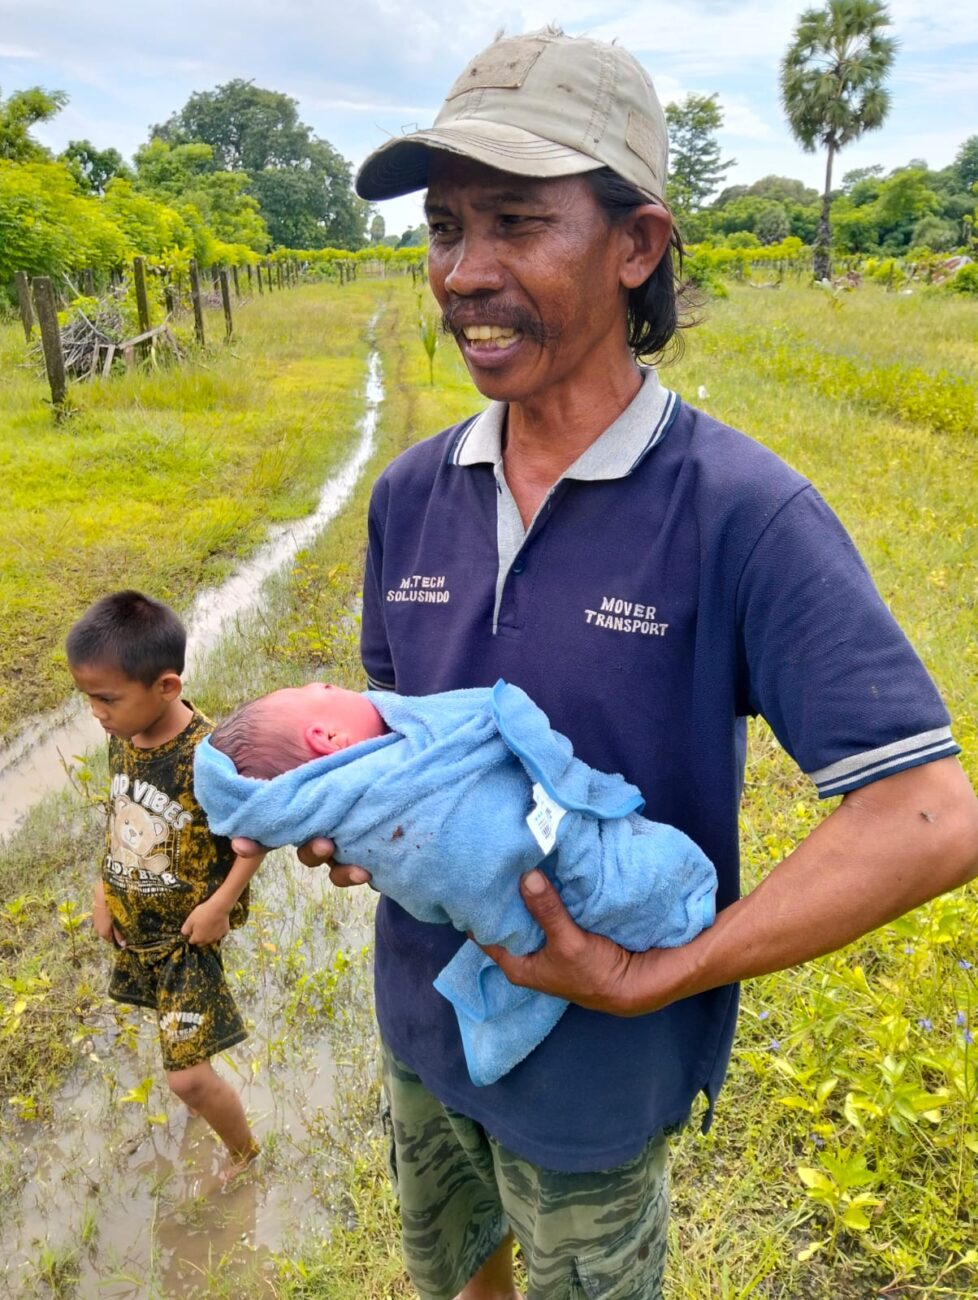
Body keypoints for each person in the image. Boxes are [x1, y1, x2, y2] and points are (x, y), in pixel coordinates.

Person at [246, 26, 978, 1299]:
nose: (465, 273)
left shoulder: (741, 511)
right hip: (424, 1024)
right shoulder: (411, 494)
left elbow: (926, 815)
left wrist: (654, 976)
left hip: (597, 1077)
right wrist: (352, 816)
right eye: (444, 228)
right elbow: (396, 729)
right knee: (457, 1274)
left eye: (516, 223)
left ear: (637, 244)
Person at [192, 679, 717, 1086]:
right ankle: (648, 899)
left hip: (602, 1058)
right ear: (327, 740)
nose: (334, 685)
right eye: (324, 689)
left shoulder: (349, 789)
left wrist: (644, 978)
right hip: (422, 1035)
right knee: (604, 870)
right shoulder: (378, 791)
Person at [66, 590, 264, 1182]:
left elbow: (256, 835)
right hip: (141, 929)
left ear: (166, 687)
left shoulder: (209, 757)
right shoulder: (123, 737)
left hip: (186, 938)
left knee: (187, 1077)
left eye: (107, 698)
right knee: (179, 1049)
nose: (96, 713)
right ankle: (202, 1101)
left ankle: (245, 1155)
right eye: (88, 698)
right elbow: (118, 816)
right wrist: (103, 891)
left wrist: (221, 905)